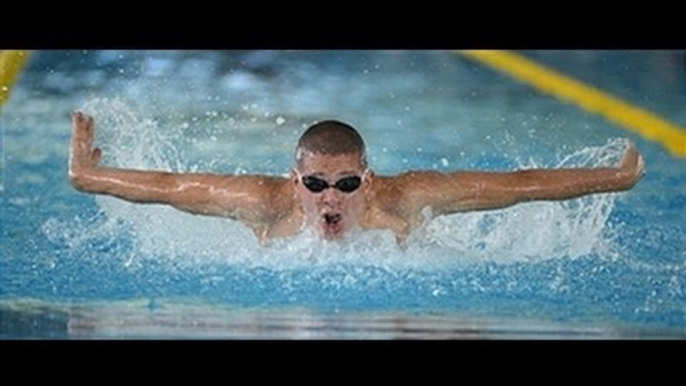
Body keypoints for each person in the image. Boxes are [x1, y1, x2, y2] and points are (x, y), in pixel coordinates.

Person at [69, 111, 645, 246]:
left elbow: (520, 185)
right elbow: (170, 188)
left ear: (368, 182)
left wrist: (613, 179)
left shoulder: (411, 197)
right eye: (316, 185)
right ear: (294, 182)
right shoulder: (261, 203)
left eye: (346, 185)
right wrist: (88, 174)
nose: (330, 200)